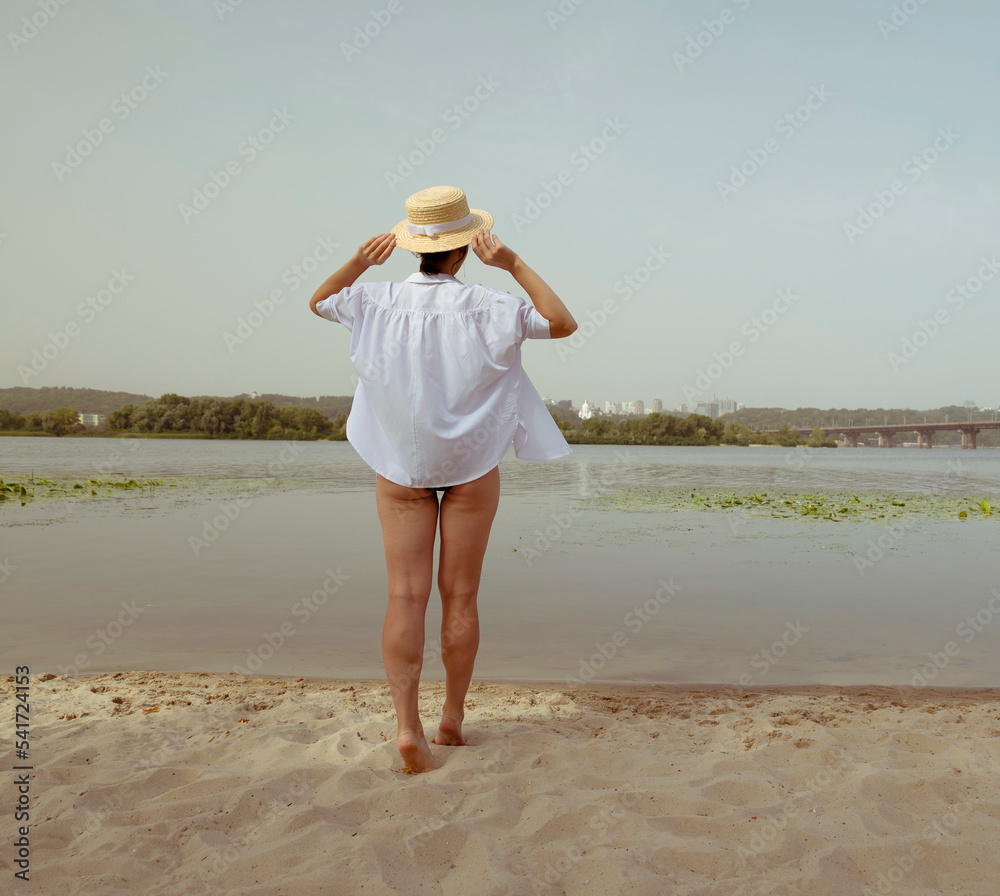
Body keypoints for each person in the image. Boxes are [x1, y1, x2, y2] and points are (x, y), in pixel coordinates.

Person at [309, 185, 577, 772]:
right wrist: (512, 263)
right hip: (472, 466)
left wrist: (360, 260)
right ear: (462, 250)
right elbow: (562, 323)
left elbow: (319, 300)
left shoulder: (373, 300)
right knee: (461, 595)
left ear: (412, 248)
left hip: (400, 465)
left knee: (405, 595)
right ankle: (452, 716)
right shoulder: (493, 304)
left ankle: (409, 727)